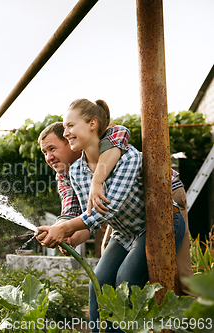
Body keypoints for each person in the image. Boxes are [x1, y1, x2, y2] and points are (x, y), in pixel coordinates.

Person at [35, 99, 187, 332]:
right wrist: (68, 235)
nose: (66, 134)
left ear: (93, 124)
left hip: (159, 219)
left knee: (130, 280)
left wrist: (65, 229)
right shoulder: (73, 171)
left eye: (69, 127)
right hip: (124, 231)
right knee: (99, 281)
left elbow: (109, 207)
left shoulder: (126, 155)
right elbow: (82, 214)